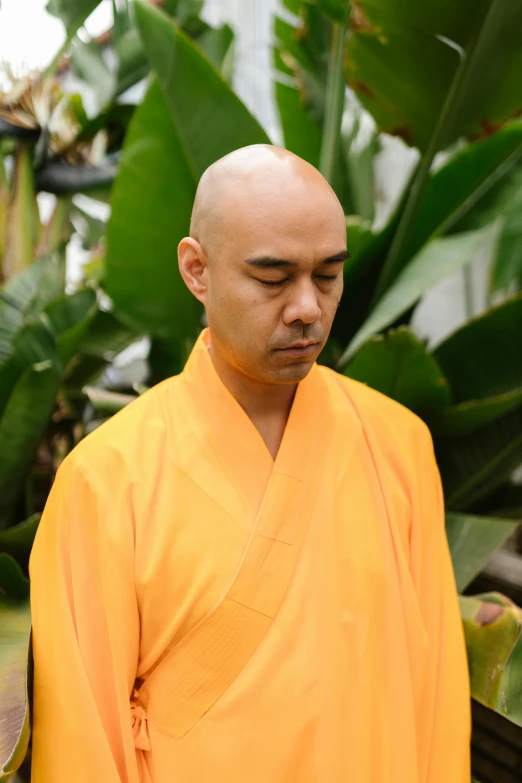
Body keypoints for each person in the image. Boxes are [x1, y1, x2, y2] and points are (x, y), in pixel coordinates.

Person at [29, 144, 471, 782]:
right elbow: (82, 741)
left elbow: (436, 702)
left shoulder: (397, 445)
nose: (307, 309)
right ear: (197, 270)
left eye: (328, 275)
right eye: (272, 277)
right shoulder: (106, 480)